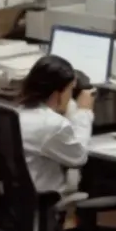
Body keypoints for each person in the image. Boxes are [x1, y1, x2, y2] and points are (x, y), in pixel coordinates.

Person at [16, 55, 95, 196]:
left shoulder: (17, 112)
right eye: (70, 90)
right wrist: (84, 112)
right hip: (44, 199)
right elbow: (78, 157)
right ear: (57, 93)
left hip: (16, 197)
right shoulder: (52, 125)